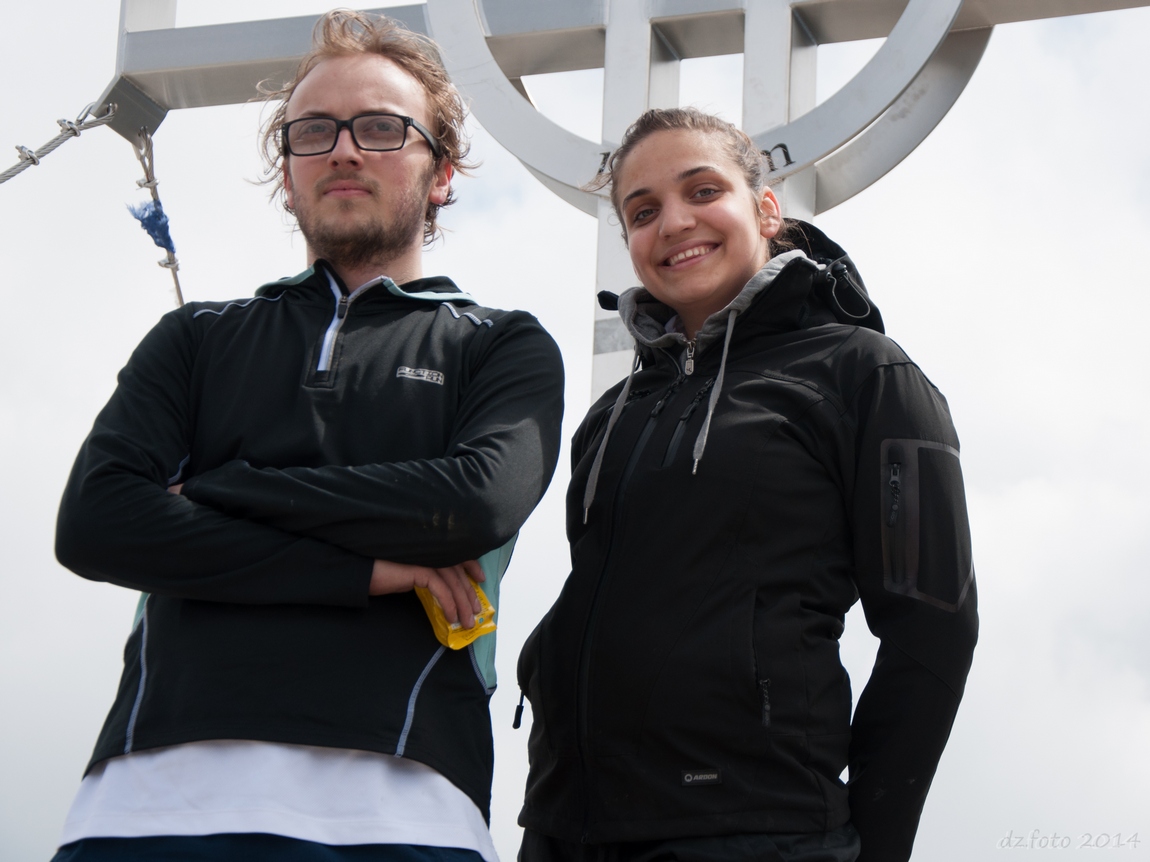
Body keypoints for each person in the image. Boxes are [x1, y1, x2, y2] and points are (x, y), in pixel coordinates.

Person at [50, 10, 563, 862]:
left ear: (442, 173)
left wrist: (217, 489)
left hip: (405, 806)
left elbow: (471, 506)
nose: (344, 151)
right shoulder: (196, 338)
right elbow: (97, 523)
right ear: (286, 176)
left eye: (381, 128)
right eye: (314, 131)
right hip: (148, 803)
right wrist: (370, 570)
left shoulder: (500, 344)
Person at [516, 107, 977, 862]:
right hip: (566, 829)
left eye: (703, 191)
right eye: (642, 211)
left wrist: (876, 845)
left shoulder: (864, 372)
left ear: (765, 210)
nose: (674, 223)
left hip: (760, 831)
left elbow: (933, 631)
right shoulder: (611, 416)